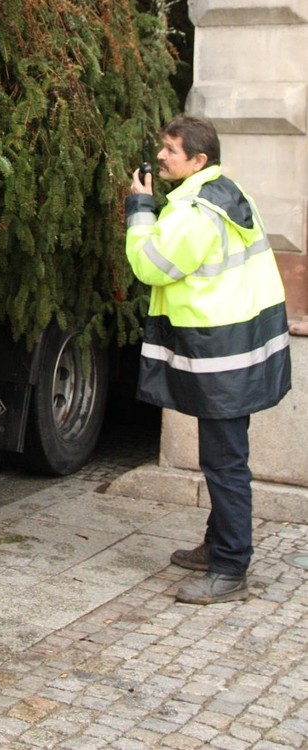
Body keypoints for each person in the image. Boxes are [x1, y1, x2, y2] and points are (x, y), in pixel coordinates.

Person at [126, 114, 291, 605]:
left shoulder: (197, 213)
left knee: (224, 463)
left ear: (198, 160)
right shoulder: (228, 193)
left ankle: (229, 568)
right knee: (225, 456)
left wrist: (139, 209)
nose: (160, 156)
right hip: (237, 348)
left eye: (171, 151)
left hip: (221, 355)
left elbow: (151, 266)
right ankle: (218, 544)